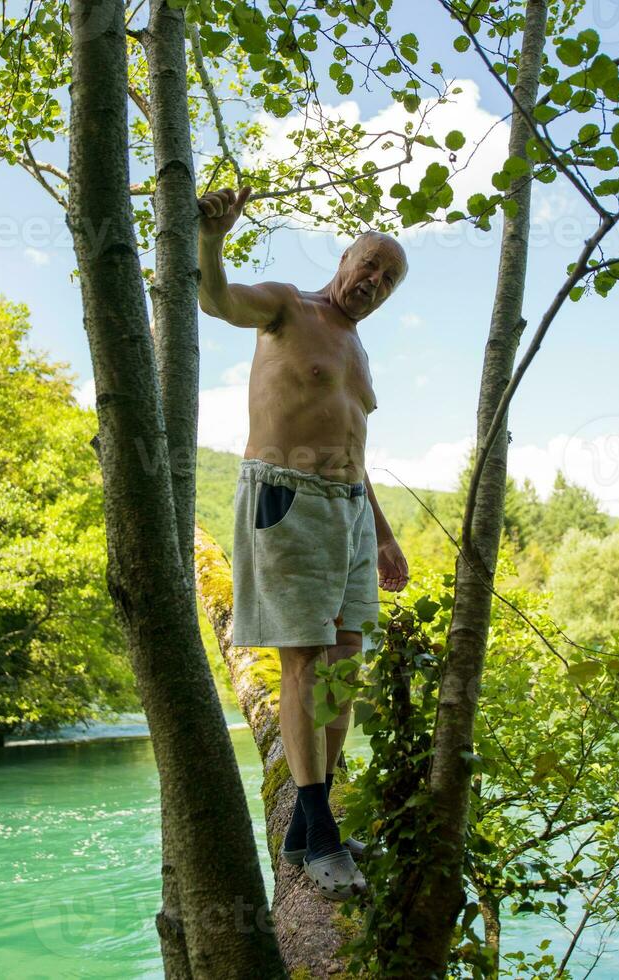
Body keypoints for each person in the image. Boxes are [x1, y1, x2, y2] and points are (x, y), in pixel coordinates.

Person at [198, 186, 410, 901]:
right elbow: (219, 300)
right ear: (345, 257)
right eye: (369, 265)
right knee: (305, 660)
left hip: (348, 510)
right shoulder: (288, 306)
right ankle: (317, 829)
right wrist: (210, 239)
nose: (373, 283)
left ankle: (304, 832)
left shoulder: (357, 347)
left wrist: (381, 536)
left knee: (344, 668)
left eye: (387, 280)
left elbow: (356, 448)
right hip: (284, 495)